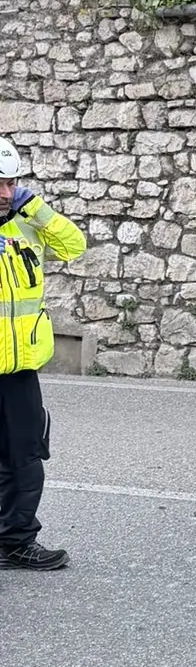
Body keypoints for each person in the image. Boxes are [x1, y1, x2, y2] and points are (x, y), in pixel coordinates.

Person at [0, 137, 87, 571]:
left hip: (19, 370)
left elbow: (74, 246)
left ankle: (15, 542)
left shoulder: (25, 223)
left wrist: (34, 208)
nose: (5, 192)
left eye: (11, 182)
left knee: (26, 459)